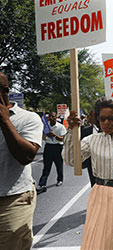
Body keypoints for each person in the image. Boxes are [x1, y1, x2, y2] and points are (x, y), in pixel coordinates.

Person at [63, 98, 113, 250]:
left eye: (111, 118)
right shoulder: (91, 140)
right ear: (97, 119)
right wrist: (71, 132)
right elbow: (71, 160)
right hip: (100, 193)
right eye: (102, 118)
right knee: (98, 237)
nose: (106, 122)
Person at [0, 72, 43, 250]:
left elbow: (26, 156)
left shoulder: (28, 118)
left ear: (4, 92)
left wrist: (4, 120)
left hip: (13, 200)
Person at [37, 112, 66, 193]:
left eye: (53, 116)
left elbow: (62, 139)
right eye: (50, 116)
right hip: (48, 147)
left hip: (58, 147)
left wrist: (54, 135)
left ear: (56, 117)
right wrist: (46, 135)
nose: (51, 118)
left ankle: (60, 179)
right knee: (46, 167)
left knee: (58, 165)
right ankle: (42, 184)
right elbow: (43, 138)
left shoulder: (60, 127)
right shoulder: (46, 126)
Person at [81, 110, 100, 187]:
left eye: (91, 115)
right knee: (94, 185)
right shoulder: (86, 130)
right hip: (91, 163)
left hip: (105, 163)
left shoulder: (107, 129)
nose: (88, 117)